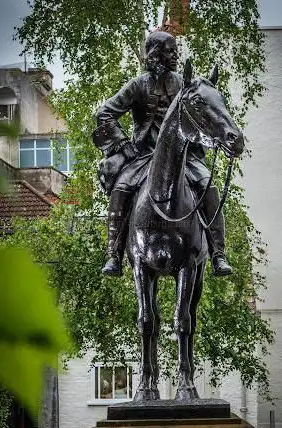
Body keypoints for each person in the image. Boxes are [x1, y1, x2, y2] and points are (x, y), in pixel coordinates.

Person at [93, 31, 233, 277]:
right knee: (121, 189)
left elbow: (202, 114)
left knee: (209, 187)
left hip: (184, 158)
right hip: (144, 157)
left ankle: (218, 254)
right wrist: (123, 144)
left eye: (175, 50)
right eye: (169, 51)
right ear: (155, 54)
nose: (175, 55)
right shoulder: (138, 84)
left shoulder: (183, 83)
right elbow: (104, 113)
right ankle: (113, 253)